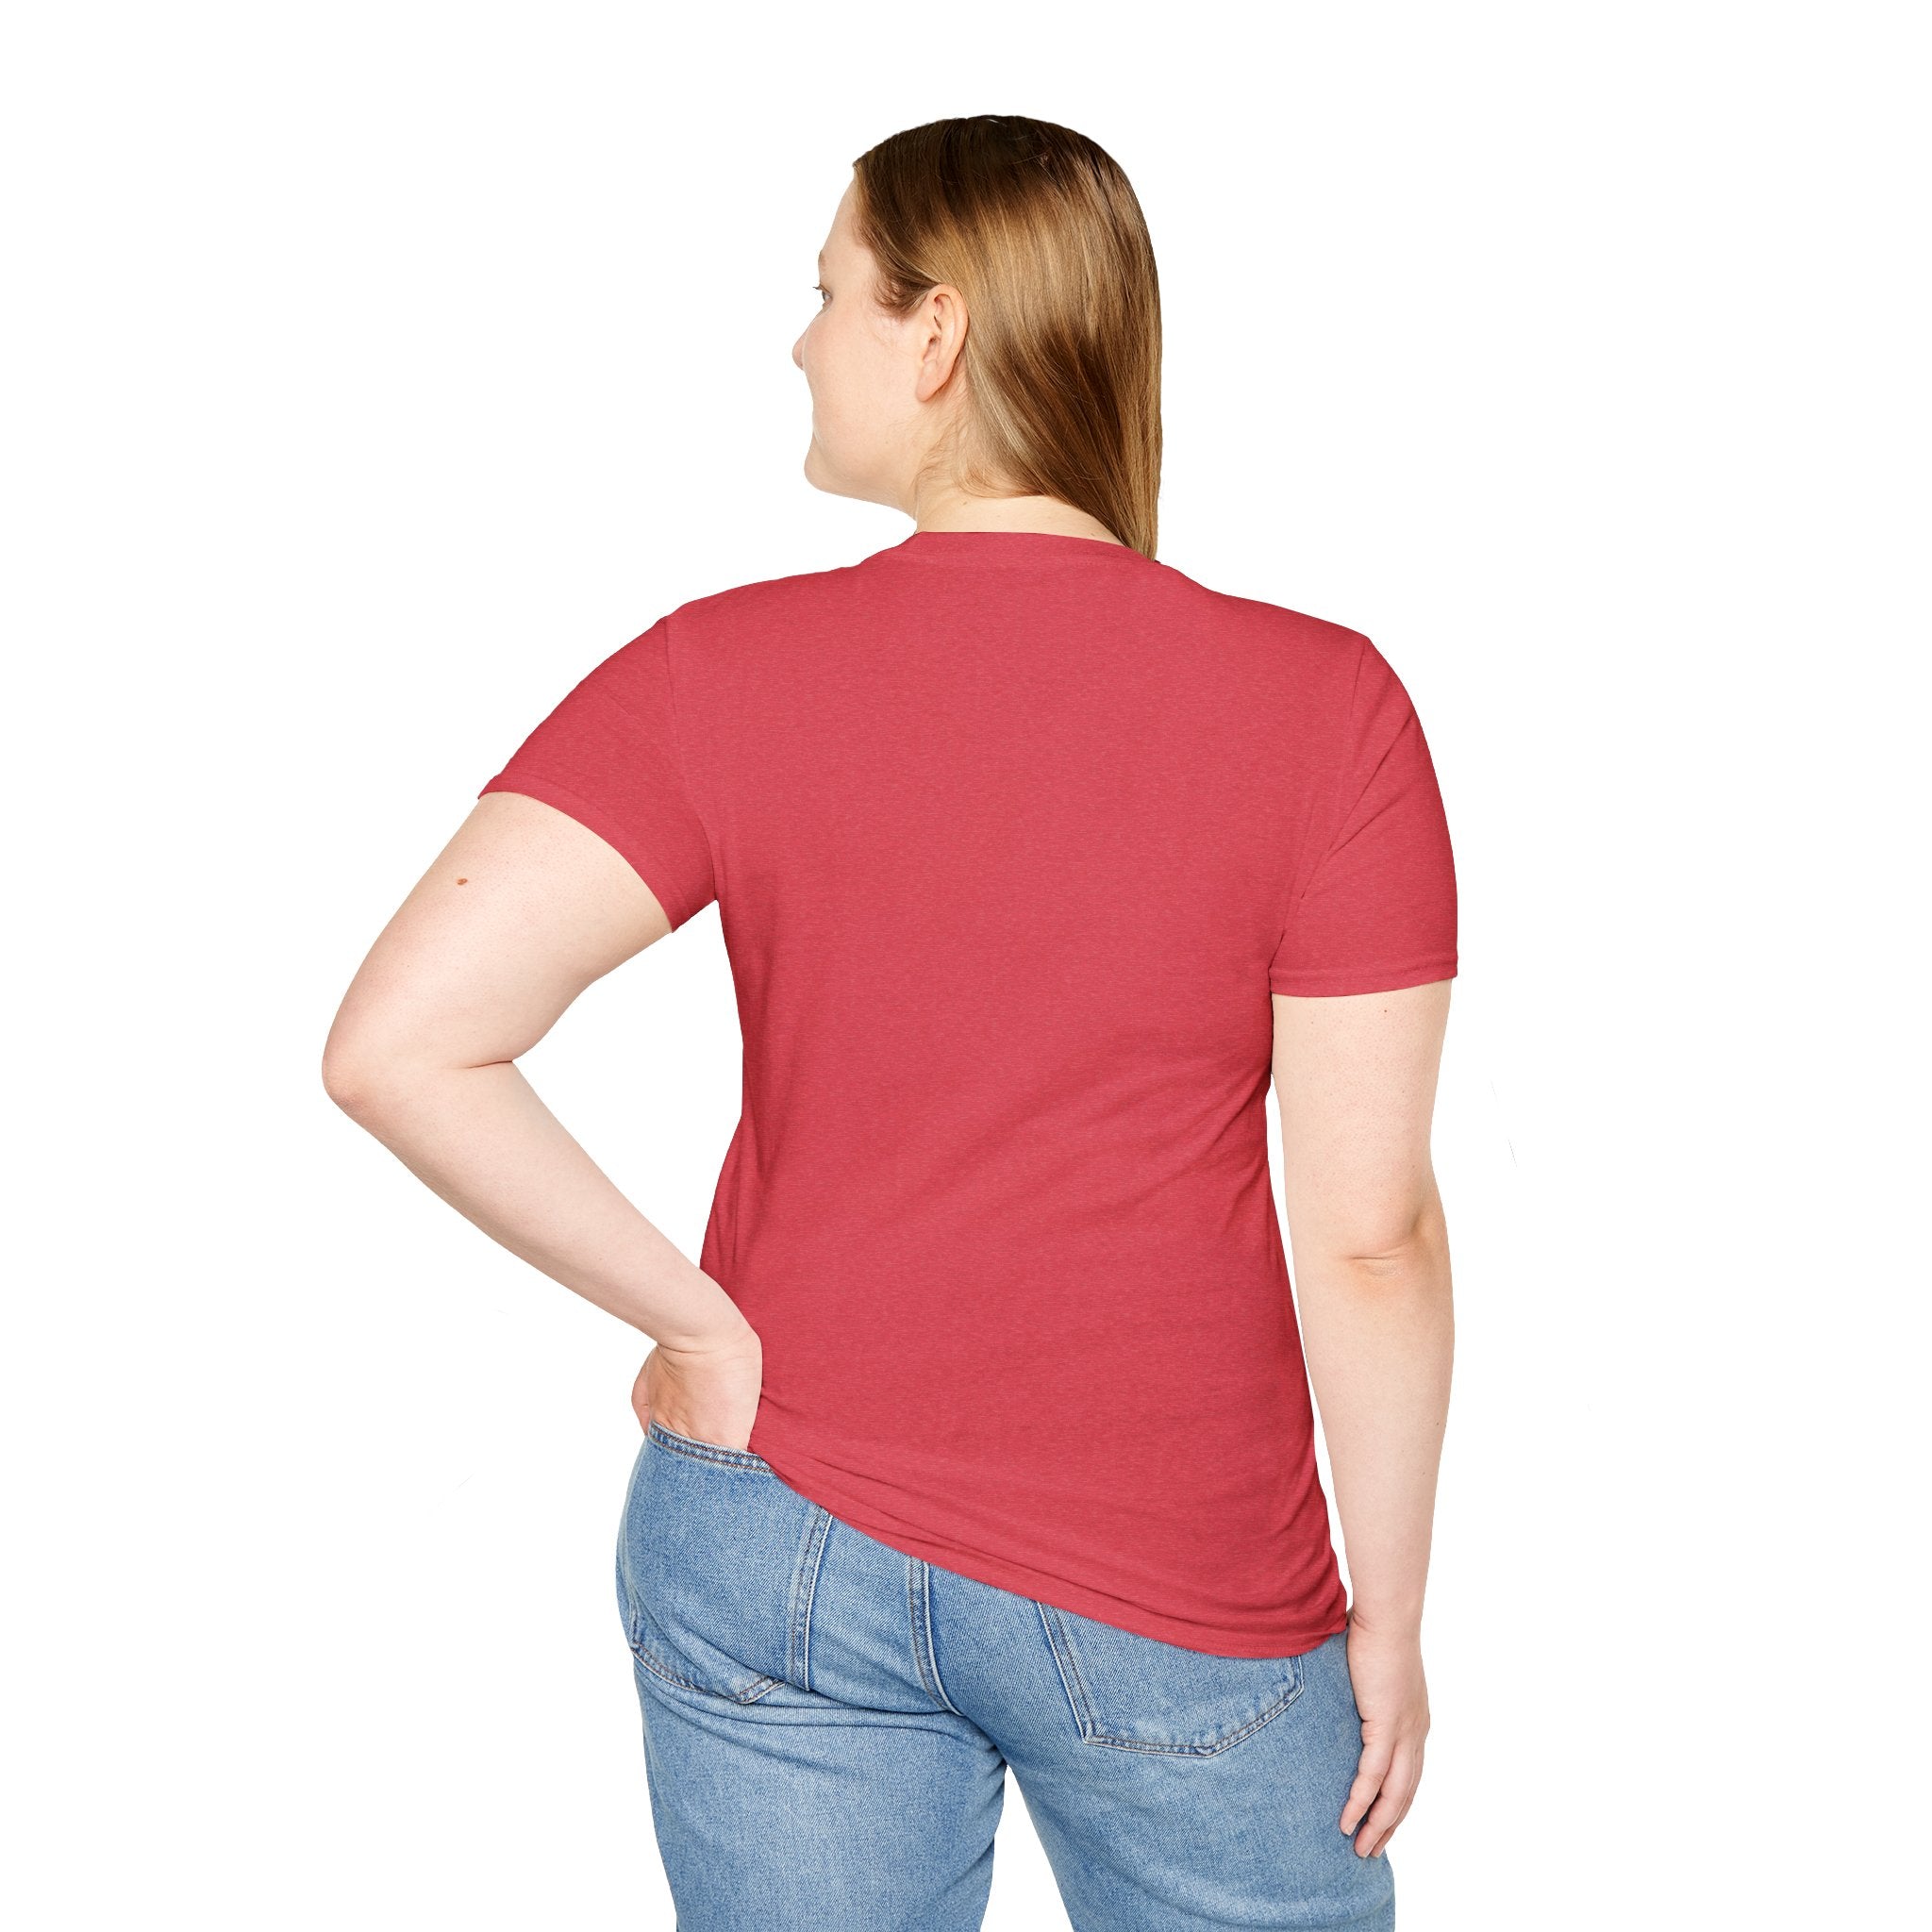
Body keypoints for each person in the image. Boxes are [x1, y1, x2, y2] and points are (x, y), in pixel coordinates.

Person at [324, 113, 1457, 1932]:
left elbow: (400, 1042)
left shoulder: (719, 668)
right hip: (1185, 1583)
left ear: (936, 336)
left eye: (830, 292)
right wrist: (1387, 1618)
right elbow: (1372, 1234)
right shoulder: (1326, 710)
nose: (801, 341)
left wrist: (697, 1324)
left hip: (780, 1533)